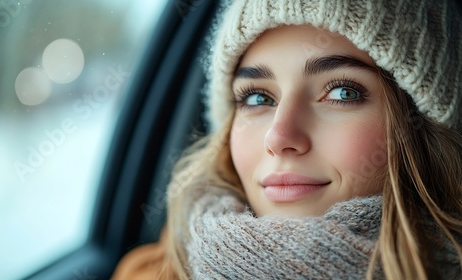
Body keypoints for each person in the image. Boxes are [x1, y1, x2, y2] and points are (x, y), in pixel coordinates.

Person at [112, 0, 462, 279]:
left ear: (421, 127)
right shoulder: (153, 272)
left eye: (342, 92)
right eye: (258, 98)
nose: (279, 138)